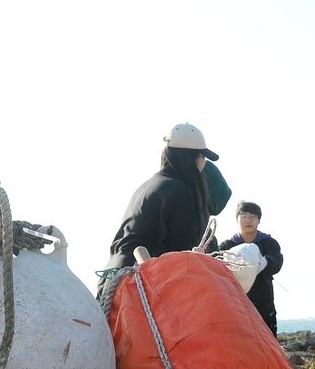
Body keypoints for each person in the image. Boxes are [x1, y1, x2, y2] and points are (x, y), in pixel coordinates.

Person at [103, 123, 218, 273]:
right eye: (203, 156)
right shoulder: (179, 191)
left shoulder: (149, 186)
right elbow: (182, 253)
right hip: (139, 280)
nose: (203, 163)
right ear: (191, 158)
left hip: (113, 275)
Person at [217, 201, 283, 335]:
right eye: (244, 216)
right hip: (235, 304)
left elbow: (277, 261)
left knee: (268, 342)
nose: (248, 220)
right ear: (237, 219)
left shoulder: (269, 243)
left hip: (264, 303)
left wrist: (265, 263)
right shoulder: (226, 246)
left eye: (253, 216)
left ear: (259, 220)